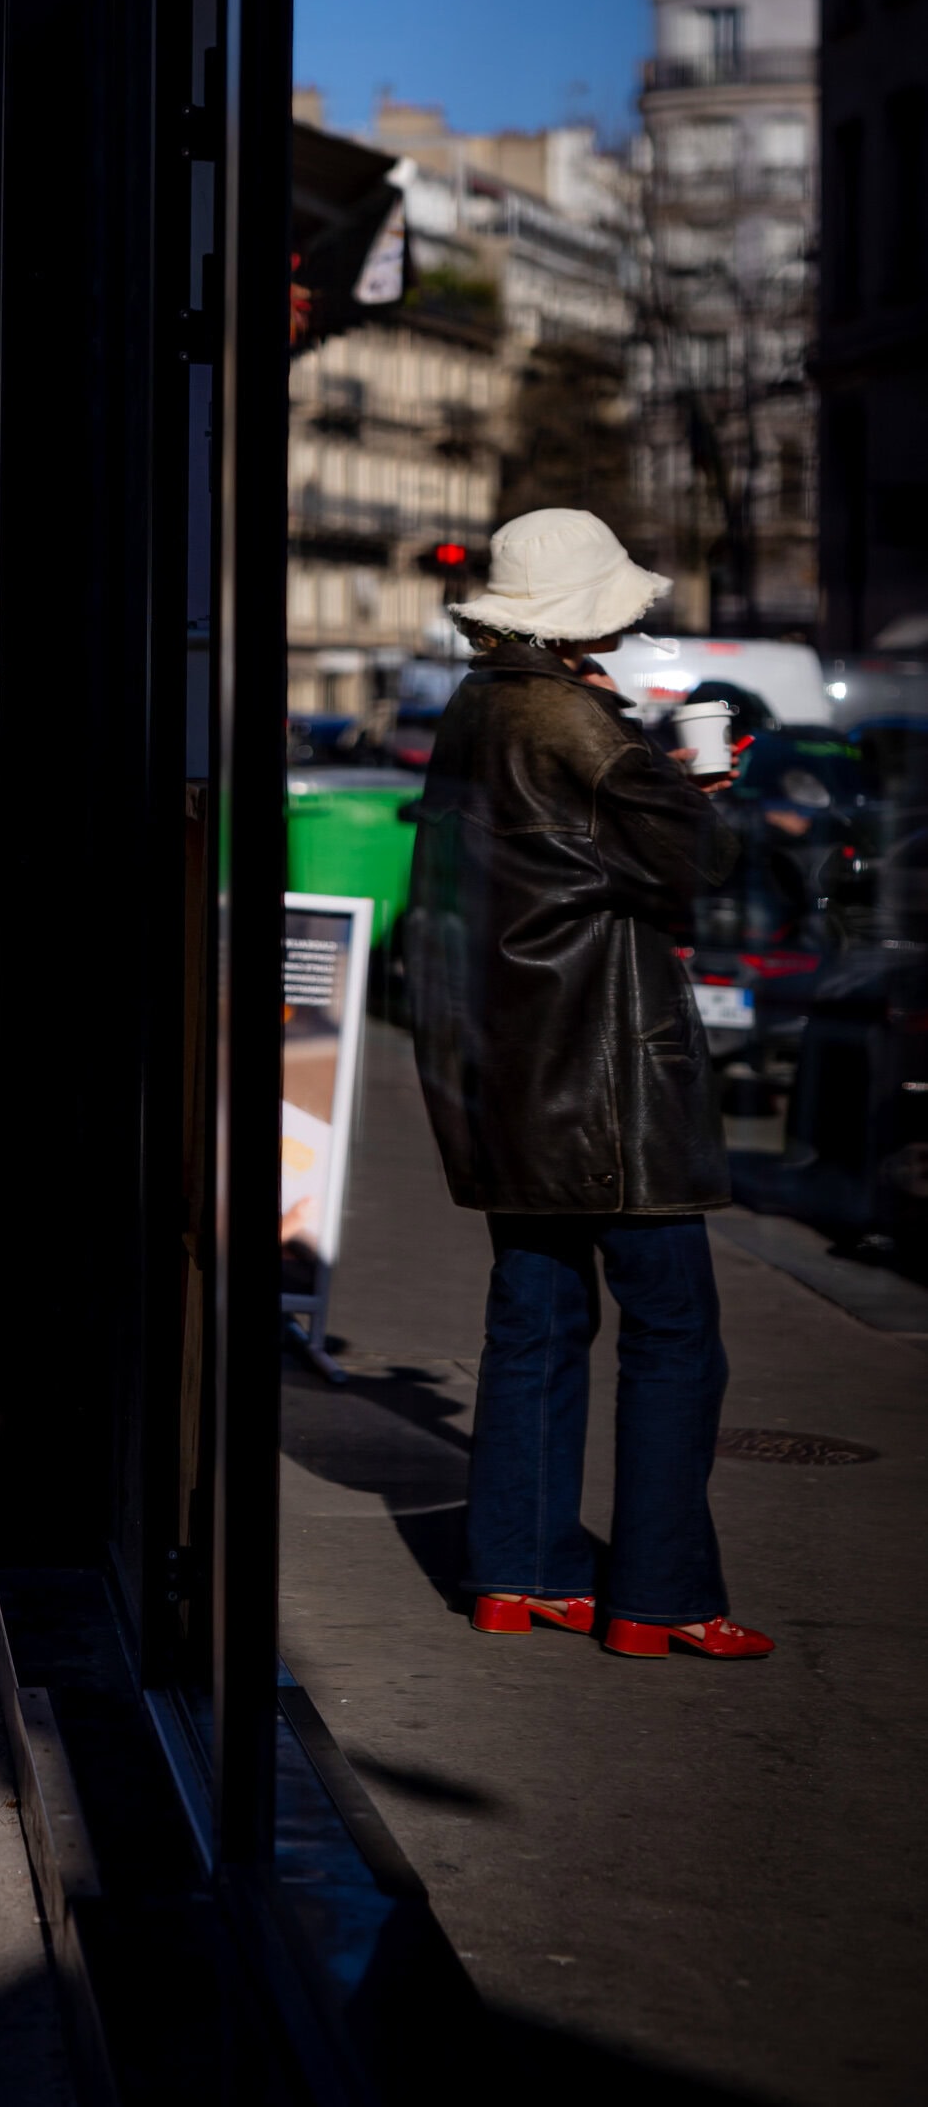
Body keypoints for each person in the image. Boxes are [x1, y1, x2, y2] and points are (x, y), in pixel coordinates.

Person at [405, 508, 773, 1662]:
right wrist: (711, 793)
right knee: (673, 1336)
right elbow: (696, 865)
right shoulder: (581, 725)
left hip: (510, 1074)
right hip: (610, 1078)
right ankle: (657, 1596)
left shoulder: (477, 710)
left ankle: (517, 1573)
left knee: (533, 1322)